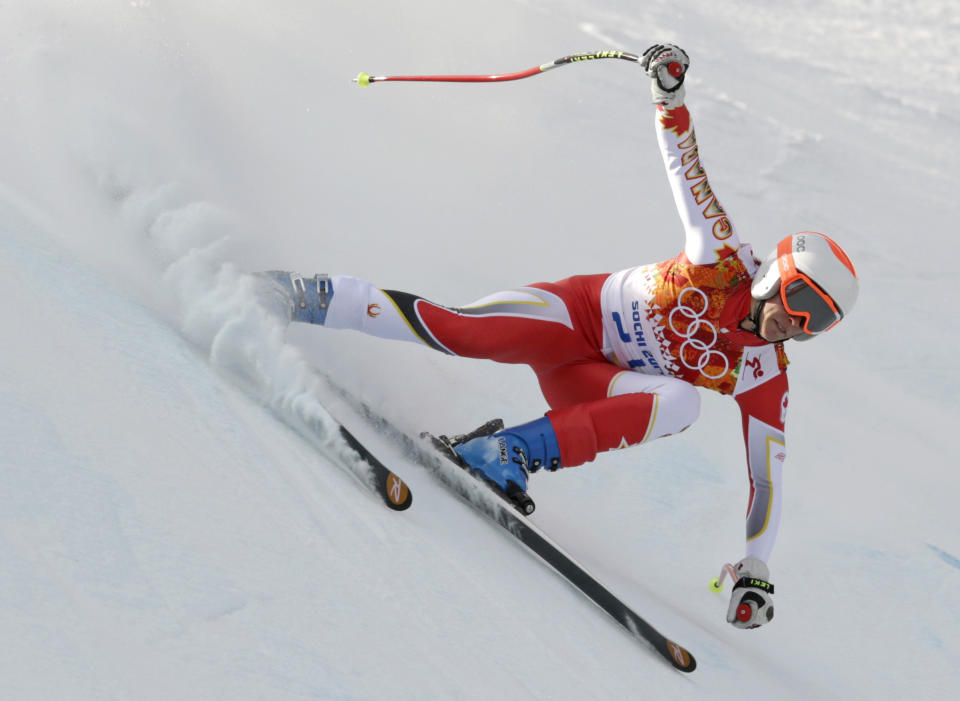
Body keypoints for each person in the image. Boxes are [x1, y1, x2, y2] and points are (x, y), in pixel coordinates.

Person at [263, 44, 859, 630]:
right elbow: (686, 165)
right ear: (780, 275)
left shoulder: (766, 374)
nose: (799, 325)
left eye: (820, 323)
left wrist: (755, 568)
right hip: (569, 318)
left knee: (682, 403)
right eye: (804, 303)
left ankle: (504, 454)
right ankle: (298, 294)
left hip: (587, 381)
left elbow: (768, 475)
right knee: (457, 330)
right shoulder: (722, 256)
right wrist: (669, 95)